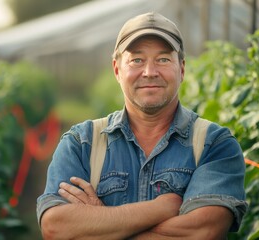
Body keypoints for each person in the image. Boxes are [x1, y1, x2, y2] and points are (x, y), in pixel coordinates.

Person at [36, 12, 248, 239]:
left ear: (182, 69)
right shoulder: (81, 143)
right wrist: (162, 208)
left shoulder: (214, 144)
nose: (149, 72)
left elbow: (201, 232)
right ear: (117, 70)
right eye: (137, 60)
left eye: (163, 59)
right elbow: (55, 227)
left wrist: (100, 220)